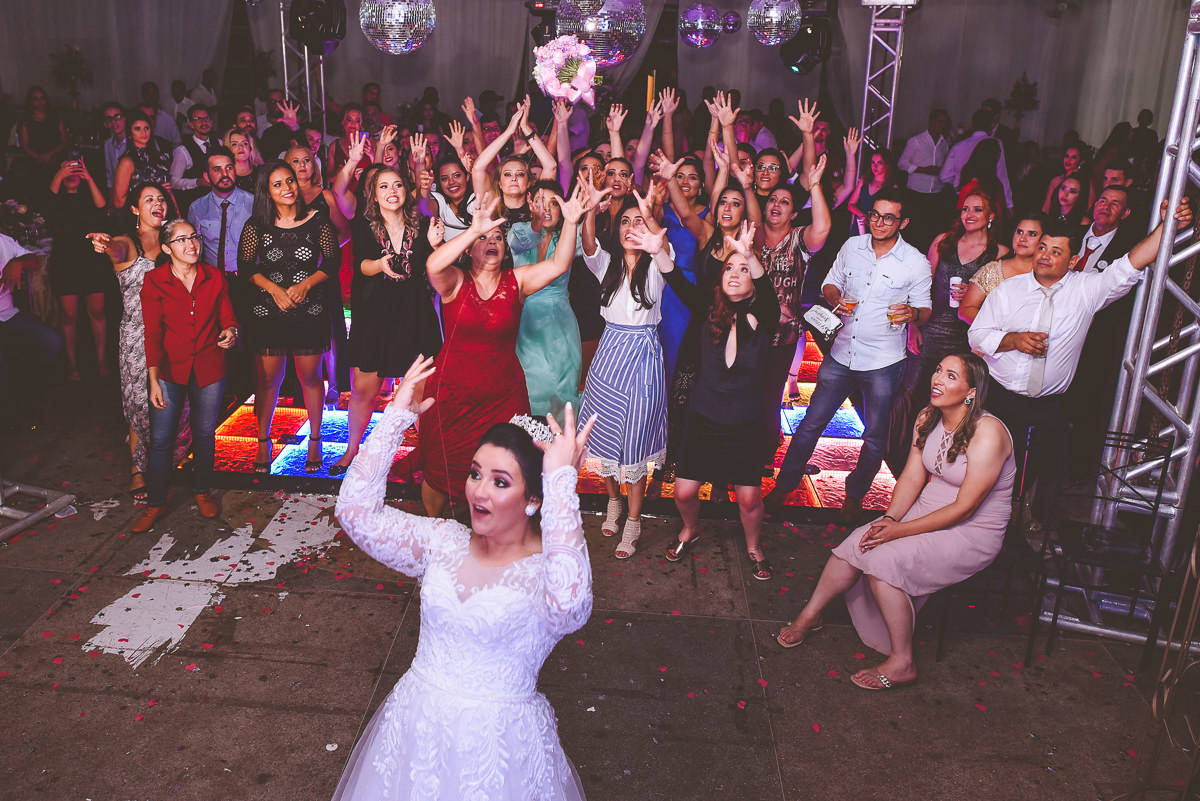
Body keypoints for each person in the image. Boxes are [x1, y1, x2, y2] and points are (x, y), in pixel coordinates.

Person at [332, 355, 593, 800]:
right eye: (475, 474)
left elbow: (570, 608)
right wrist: (396, 417)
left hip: (498, 751)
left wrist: (562, 482)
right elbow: (353, 512)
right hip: (414, 732)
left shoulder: (549, 574)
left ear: (533, 499)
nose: (478, 490)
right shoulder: (442, 541)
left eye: (499, 481)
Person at [776, 353, 1015, 692]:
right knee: (857, 544)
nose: (936, 380)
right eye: (937, 371)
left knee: (883, 563)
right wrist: (889, 519)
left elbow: (964, 508)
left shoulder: (988, 433)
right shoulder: (928, 417)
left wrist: (899, 531)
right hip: (927, 509)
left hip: (972, 530)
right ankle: (809, 616)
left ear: (971, 392)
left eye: (950, 376)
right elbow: (912, 478)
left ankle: (903, 662)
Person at [967, 201, 1192, 525]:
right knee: (989, 465)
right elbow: (976, 336)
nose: (1044, 255)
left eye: (1055, 251)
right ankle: (982, 523)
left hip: (1049, 405)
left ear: (1073, 260)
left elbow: (1129, 264)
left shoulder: (1085, 290)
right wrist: (1011, 340)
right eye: (1042, 247)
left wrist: (1166, 225)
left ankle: (1016, 526)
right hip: (1000, 398)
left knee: (1035, 470)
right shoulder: (1008, 290)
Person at [412, 187, 589, 518]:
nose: (491, 242)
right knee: (440, 472)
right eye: (484, 238)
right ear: (469, 247)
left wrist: (572, 221)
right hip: (453, 396)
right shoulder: (454, 281)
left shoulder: (516, 282)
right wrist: (472, 231)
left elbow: (561, 262)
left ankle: (494, 533)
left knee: (505, 466)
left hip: (503, 397)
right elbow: (433, 264)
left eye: (497, 237)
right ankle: (436, 532)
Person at [765, 191, 932, 521]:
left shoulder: (915, 262)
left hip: (884, 361)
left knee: (873, 435)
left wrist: (912, 314)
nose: (879, 222)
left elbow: (926, 309)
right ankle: (783, 487)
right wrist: (836, 297)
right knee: (810, 424)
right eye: (875, 215)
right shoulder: (852, 248)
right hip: (841, 352)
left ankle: (855, 494)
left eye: (888, 217)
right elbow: (829, 283)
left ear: (903, 223)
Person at [664, 220, 781, 578]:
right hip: (704, 419)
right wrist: (657, 251)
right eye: (729, 267)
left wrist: (749, 255)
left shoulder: (765, 316)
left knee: (748, 498)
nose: (734, 273)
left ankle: (753, 546)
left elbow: (769, 291)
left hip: (745, 424)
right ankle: (690, 529)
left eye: (743, 269)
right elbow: (678, 281)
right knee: (683, 494)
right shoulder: (706, 310)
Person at [578, 194, 675, 558]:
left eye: (639, 221)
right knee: (603, 437)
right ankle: (613, 501)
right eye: (625, 222)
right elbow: (589, 243)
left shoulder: (659, 263)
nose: (631, 227)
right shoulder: (607, 264)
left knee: (634, 442)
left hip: (643, 358)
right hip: (609, 355)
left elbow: (662, 249)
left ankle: (633, 520)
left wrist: (650, 220)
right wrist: (590, 210)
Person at [328, 166, 442, 475]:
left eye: (398, 185)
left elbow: (434, 268)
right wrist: (379, 264)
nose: (392, 191)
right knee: (364, 390)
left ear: (405, 191)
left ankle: (424, 455)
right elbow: (361, 265)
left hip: (414, 313)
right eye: (384, 187)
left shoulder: (422, 223)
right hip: (375, 315)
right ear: (374, 196)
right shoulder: (364, 226)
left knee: (418, 392)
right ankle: (352, 450)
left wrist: (435, 245)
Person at [131, 220, 238, 533]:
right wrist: (153, 380)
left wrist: (231, 331)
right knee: (162, 439)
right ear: (166, 249)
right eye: (181, 240)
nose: (191, 245)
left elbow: (228, 316)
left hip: (209, 366)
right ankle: (155, 503)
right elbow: (152, 333)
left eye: (193, 237)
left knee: (204, 432)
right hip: (169, 370)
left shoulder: (214, 276)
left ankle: (202, 491)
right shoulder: (154, 281)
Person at [87, 184, 189, 501]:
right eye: (148, 200)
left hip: (176, 335)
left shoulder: (177, 240)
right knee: (140, 405)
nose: (156, 204)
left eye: (160, 199)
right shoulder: (129, 244)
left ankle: (174, 459)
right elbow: (115, 248)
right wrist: (104, 244)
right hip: (138, 337)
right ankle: (137, 470)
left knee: (179, 401)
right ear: (135, 209)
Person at [238, 161, 340, 474]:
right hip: (268, 311)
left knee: (310, 377)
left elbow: (332, 261)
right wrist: (273, 290)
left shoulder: (317, 220)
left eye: (290, 181)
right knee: (269, 379)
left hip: (308, 310)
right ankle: (263, 440)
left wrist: (306, 284)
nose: (287, 188)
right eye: (278, 184)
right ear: (267, 191)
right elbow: (246, 267)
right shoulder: (256, 225)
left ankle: (315, 440)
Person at [755, 157, 831, 468]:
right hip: (749, 330)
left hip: (783, 334)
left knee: (769, 397)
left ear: (794, 213)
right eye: (772, 199)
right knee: (745, 393)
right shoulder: (754, 234)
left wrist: (814, 186)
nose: (776, 204)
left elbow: (823, 226)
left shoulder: (799, 238)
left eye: (784, 201)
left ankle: (763, 453)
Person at [514, 180, 586, 421]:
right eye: (540, 203)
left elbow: (588, 243)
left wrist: (591, 211)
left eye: (554, 203)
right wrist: (535, 222)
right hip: (524, 323)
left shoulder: (568, 234)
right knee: (527, 391)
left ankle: (562, 454)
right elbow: (523, 242)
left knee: (563, 392)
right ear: (531, 205)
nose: (547, 209)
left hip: (561, 327)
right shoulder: (519, 230)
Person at [48, 156, 111, 381]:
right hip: (65, 261)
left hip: (92, 261)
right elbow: (47, 204)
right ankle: (73, 365)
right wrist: (60, 173)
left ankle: (102, 362)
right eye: (68, 170)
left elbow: (103, 206)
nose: (72, 174)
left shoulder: (89, 194)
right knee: (69, 315)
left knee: (97, 312)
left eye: (77, 170)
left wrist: (88, 176)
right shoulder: (55, 196)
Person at [0, 234, 64, 397]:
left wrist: (18, 262)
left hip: (8, 316)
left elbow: (34, 262)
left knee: (52, 341)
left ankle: (25, 390)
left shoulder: (2, 241)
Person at [958, 213, 1048, 325]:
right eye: (1019, 232)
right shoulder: (993, 270)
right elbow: (965, 310)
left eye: (1032, 234)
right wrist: (1001, 333)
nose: (1022, 239)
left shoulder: (1048, 274)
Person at [898, 109, 951, 251]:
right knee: (913, 229)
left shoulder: (944, 143)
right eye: (940, 122)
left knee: (929, 230)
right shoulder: (916, 141)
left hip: (935, 192)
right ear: (931, 122)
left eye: (944, 123)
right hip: (917, 192)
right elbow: (902, 163)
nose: (942, 125)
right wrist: (923, 169)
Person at [940, 109, 1012, 211]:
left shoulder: (959, 145)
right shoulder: (994, 144)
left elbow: (944, 176)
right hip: (984, 197)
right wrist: (1008, 203)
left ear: (972, 124)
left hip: (961, 195)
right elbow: (1001, 175)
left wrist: (959, 183)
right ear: (992, 125)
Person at [112, 111, 175, 211]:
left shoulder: (160, 157)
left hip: (163, 212)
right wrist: (153, 193)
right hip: (140, 217)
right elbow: (118, 202)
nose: (143, 132)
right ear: (130, 133)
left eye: (147, 128)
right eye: (137, 129)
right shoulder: (127, 161)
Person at [168, 105, 216, 215]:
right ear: (191, 124)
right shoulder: (182, 151)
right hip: (194, 206)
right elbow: (174, 182)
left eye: (206, 118)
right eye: (198, 119)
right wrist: (197, 182)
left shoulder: (219, 143)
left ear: (211, 122)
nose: (204, 122)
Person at [848, 149, 901, 235]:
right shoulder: (864, 181)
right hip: (859, 228)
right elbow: (851, 204)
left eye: (879, 163)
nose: (875, 166)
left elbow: (892, 215)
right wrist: (862, 215)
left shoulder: (892, 187)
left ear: (887, 165)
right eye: (873, 162)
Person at [101, 102, 129, 191]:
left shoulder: (135, 142)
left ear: (125, 118)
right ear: (105, 124)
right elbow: (110, 176)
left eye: (117, 117)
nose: (113, 122)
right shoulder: (108, 144)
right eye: (109, 119)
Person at [223, 128, 260, 193]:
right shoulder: (225, 177)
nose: (240, 147)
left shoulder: (261, 172)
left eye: (245, 143)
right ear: (228, 149)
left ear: (250, 148)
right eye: (234, 144)